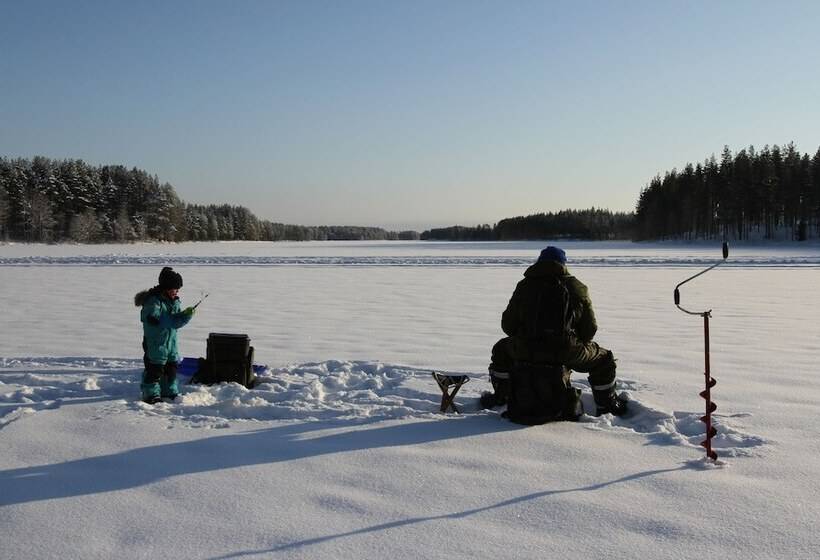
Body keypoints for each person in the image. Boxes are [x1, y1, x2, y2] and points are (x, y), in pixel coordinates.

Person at [483, 246, 628, 419]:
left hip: (525, 349)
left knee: (500, 349)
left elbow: (508, 326)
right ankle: (608, 405)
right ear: (563, 264)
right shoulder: (577, 287)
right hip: (566, 351)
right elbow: (589, 331)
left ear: (539, 262)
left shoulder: (524, 285)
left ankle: (502, 397)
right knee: (604, 359)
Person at [134, 267, 195, 404]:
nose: (177, 292)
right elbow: (158, 320)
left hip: (171, 344)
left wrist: (186, 315)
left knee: (171, 369)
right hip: (156, 343)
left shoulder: (175, 301)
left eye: (178, 289)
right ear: (166, 288)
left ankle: (169, 391)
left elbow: (175, 321)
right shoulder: (153, 302)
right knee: (155, 370)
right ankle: (150, 394)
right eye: (175, 289)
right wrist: (178, 319)